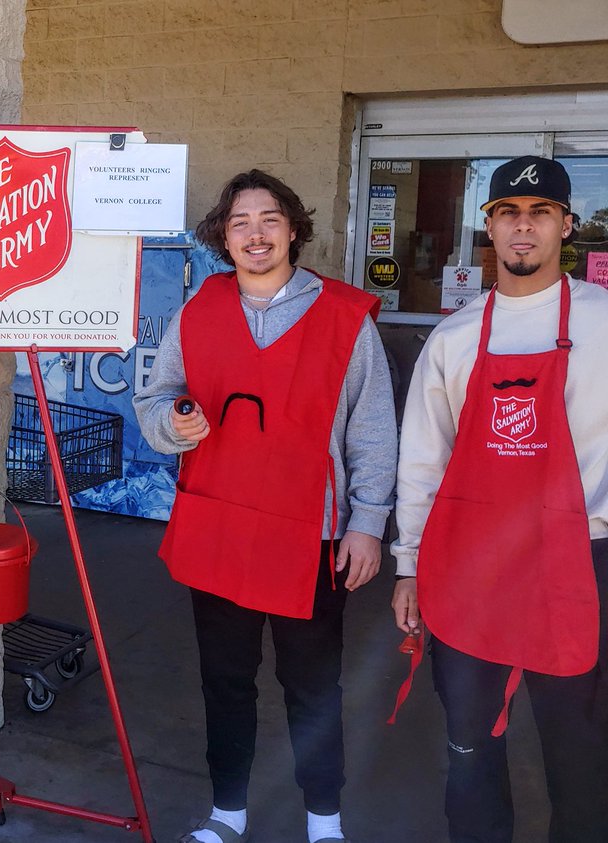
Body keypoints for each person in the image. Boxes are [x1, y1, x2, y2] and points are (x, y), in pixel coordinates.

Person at [135, 170, 396, 843]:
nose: (256, 232)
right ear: (224, 234)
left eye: (269, 218)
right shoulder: (199, 312)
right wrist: (174, 423)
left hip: (308, 538)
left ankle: (324, 820)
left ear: (292, 229)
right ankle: (228, 813)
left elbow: (371, 432)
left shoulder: (343, 317)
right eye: (241, 220)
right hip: (218, 527)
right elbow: (156, 398)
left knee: (314, 687)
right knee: (225, 682)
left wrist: (367, 524)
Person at [392, 156, 608, 842]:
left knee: (582, 750)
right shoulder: (455, 335)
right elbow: (422, 460)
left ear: (566, 226)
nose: (523, 226)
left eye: (540, 212)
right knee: (470, 746)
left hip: (584, 559)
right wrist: (408, 563)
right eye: (508, 213)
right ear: (488, 228)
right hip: (471, 563)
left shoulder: (606, 323)